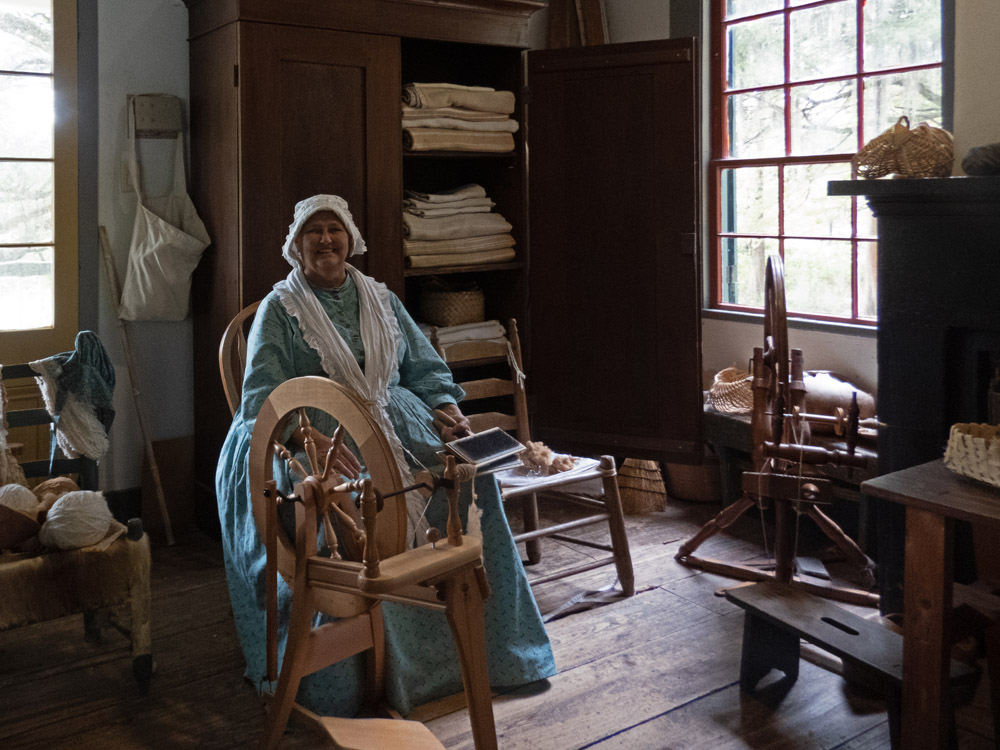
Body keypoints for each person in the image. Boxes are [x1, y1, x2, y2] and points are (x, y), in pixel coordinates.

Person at [215, 194, 555, 717]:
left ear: (350, 238)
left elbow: (421, 365)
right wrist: (307, 434)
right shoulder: (279, 311)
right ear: (295, 245)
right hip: (316, 437)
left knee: (469, 481)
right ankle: (364, 676)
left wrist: (446, 407)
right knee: (350, 506)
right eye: (314, 232)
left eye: (335, 230)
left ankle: (492, 654)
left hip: (397, 419)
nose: (326, 240)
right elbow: (262, 401)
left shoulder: (381, 298)